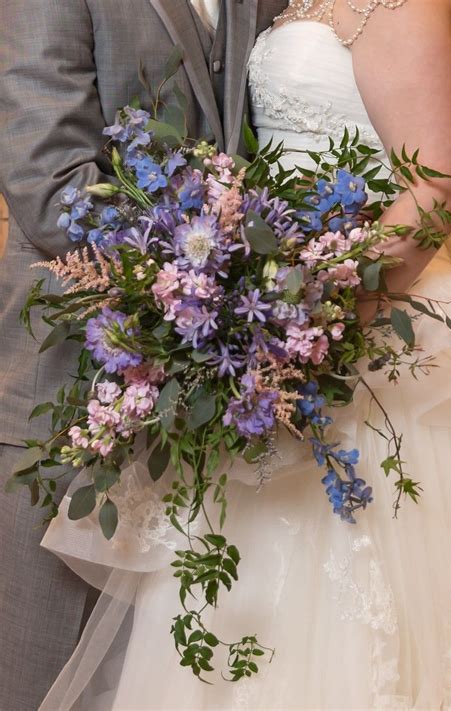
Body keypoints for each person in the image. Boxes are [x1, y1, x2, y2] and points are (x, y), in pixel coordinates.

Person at [14, 0, 451, 708]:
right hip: (188, 346)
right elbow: (49, 187)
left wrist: (309, 305)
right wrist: (213, 289)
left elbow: (437, 183)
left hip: (321, 332)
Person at [0, 2, 288, 709]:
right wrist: (210, 266)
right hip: (70, 387)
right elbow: (48, 185)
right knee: (41, 675)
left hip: (212, 408)